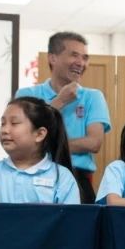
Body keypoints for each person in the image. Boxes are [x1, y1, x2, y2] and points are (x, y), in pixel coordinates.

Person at [15, 31, 111, 204]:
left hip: (78, 178)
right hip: (32, 176)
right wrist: (59, 102)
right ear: (53, 58)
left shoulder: (93, 97)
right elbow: (23, 139)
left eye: (85, 57)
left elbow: (94, 143)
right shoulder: (26, 95)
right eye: (74, 55)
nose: (81, 63)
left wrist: (44, 145)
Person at [0, 97, 79, 204]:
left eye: (14, 123)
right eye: (3, 123)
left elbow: (71, 214)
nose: (4, 130)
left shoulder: (62, 178)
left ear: (39, 134)